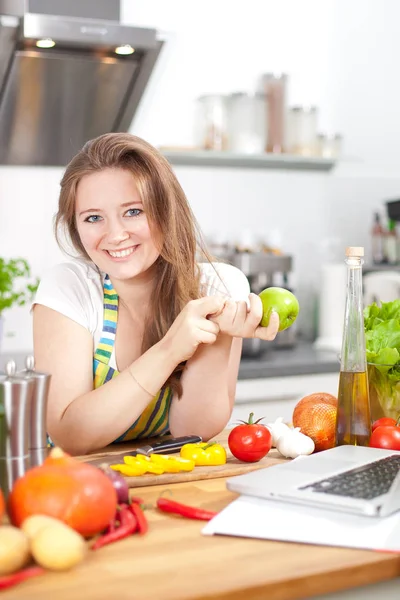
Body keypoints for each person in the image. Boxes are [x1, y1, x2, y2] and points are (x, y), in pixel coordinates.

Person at [32, 133, 279, 455]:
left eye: (133, 211)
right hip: (72, 485)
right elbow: (72, 436)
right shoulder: (70, 288)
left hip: (159, 479)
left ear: (166, 211)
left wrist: (218, 334)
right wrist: (170, 350)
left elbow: (192, 431)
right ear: (76, 227)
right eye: (93, 218)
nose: (116, 234)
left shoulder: (218, 285)